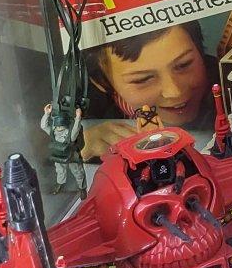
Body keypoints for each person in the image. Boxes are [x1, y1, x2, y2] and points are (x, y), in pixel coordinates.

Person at [80, 21, 213, 160]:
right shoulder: (86, 105)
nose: (174, 92)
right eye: (142, 79)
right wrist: (78, 145)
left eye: (184, 64)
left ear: (200, 53)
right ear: (101, 82)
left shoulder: (225, 82)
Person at [39, 103, 86, 191]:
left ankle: (82, 187)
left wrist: (78, 117)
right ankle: (60, 183)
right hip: (58, 154)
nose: (58, 128)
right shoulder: (53, 131)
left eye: (60, 126)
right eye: (57, 126)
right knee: (60, 170)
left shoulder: (70, 134)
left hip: (71, 154)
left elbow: (76, 129)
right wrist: (46, 113)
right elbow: (43, 126)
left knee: (77, 171)